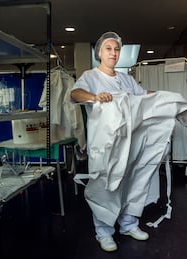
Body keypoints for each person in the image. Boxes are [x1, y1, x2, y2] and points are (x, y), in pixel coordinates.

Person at [70, 31, 154, 252]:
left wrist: (167, 98)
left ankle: (128, 224)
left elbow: (144, 96)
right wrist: (94, 96)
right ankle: (104, 232)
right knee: (104, 185)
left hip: (128, 143)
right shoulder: (91, 76)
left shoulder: (126, 79)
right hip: (104, 145)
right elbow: (75, 94)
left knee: (129, 183)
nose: (113, 53)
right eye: (109, 48)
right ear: (99, 52)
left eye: (116, 49)